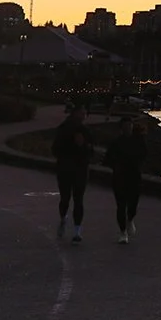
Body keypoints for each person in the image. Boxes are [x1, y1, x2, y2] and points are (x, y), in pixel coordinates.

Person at [53, 104, 96, 243]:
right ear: (75, 113)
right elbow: (55, 149)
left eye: (85, 113)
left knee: (78, 199)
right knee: (65, 198)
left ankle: (77, 230)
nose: (84, 116)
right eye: (81, 113)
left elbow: (91, 151)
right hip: (65, 168)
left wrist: (83, 146)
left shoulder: (86, 131)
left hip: (81, 169)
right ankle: (63, 219)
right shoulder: (64, 129)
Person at [105, 115, 150, 244]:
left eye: (130, 126)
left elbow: (144, 154)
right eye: (125, 126)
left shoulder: (139, 141)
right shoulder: (116, 143)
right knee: (120, 205)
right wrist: (116, 166)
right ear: (121, 128)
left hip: (134, 176)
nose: (128, 128)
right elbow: (108, 159)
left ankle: (130, 219)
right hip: (119, 177)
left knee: (133, 204)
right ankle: (123, 232)